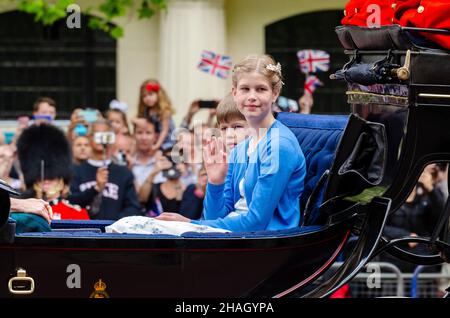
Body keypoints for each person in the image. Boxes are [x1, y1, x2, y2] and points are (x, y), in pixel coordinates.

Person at [157, 54, 306, 232]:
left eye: (260, 89)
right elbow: (214, 218)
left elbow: (257, 221)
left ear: (274, 93)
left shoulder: (279, 145)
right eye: (245, 89)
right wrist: (215, 182)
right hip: (233, 236)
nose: (252, 96)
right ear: (234, 93)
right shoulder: (240, 148)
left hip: (266, 241)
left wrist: (192, 224)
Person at [69, 120, 141, 220]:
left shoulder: (124, 173)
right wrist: (96, 188)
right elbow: (70, 202)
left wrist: (113, 223)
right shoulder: (75, 171)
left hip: (113, 232)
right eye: (97, 134)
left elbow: (133, 207)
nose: (102, 138)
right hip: (83, 231)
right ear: (89, 137)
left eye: (106, 134)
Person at [16, 123, 90, 221]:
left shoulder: (77, 214)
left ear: (62, 181)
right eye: (40, 178)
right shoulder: (21, 212)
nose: (46, 180)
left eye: (52, 177)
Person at [137, 79, 176, 151]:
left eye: (150, 94)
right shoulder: (147, 111)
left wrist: (156, 146)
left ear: (159, 94)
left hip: (167, 142)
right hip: (154, 140)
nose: (147, 98)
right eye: (144, 96)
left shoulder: (164, 111)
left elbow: (164, 131)